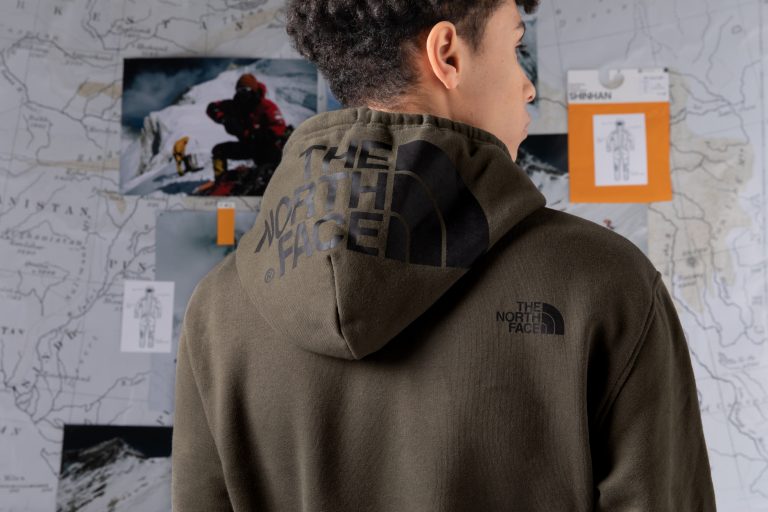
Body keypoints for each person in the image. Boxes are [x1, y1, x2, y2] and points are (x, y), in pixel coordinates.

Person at [171, 1, 717, 511]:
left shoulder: (218, 309)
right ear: (448, 55)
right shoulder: (603, 282)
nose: (528, 86)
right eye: (515, 47)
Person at [205, 73, 288, 181]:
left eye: (245, 90)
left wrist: (255, 134)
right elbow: (212, 107)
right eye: (239, 90)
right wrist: (224, 119)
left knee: (266, 170)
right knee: (219, 150)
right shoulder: (234, 105)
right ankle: (221, 180)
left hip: (267, 147)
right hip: (248, 146)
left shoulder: (266, 106)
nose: (242, 93)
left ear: (253, 90)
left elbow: (279, 127)